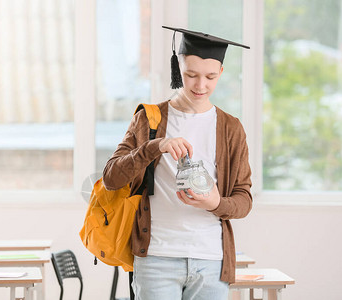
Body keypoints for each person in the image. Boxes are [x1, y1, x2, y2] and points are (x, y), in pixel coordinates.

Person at [102, 26, 253, 300]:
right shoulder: (149, 119)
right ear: (177, 66)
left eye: (210, 76)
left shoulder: (231, 128)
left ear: (221, 72)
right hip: (157, 257)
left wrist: (215, 204)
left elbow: (244, 199)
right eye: (191, 75)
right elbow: (111, 178)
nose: (200, 85)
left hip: (211, 260)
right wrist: (154, 147)